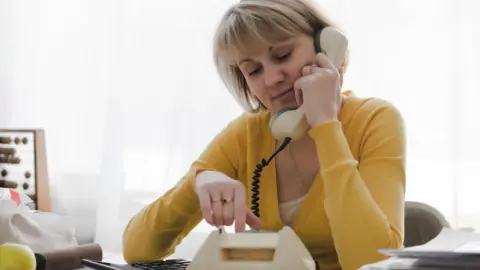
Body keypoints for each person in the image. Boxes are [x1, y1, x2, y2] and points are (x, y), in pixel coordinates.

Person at [122, 0, 406, 269]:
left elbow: (372, 262)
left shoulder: (375, 121)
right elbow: (137, 249)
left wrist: (326, 126)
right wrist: (198, 181)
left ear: (326, 45)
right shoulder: (247, 134)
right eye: (253, 70)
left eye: (282, 55)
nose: (271, 79)